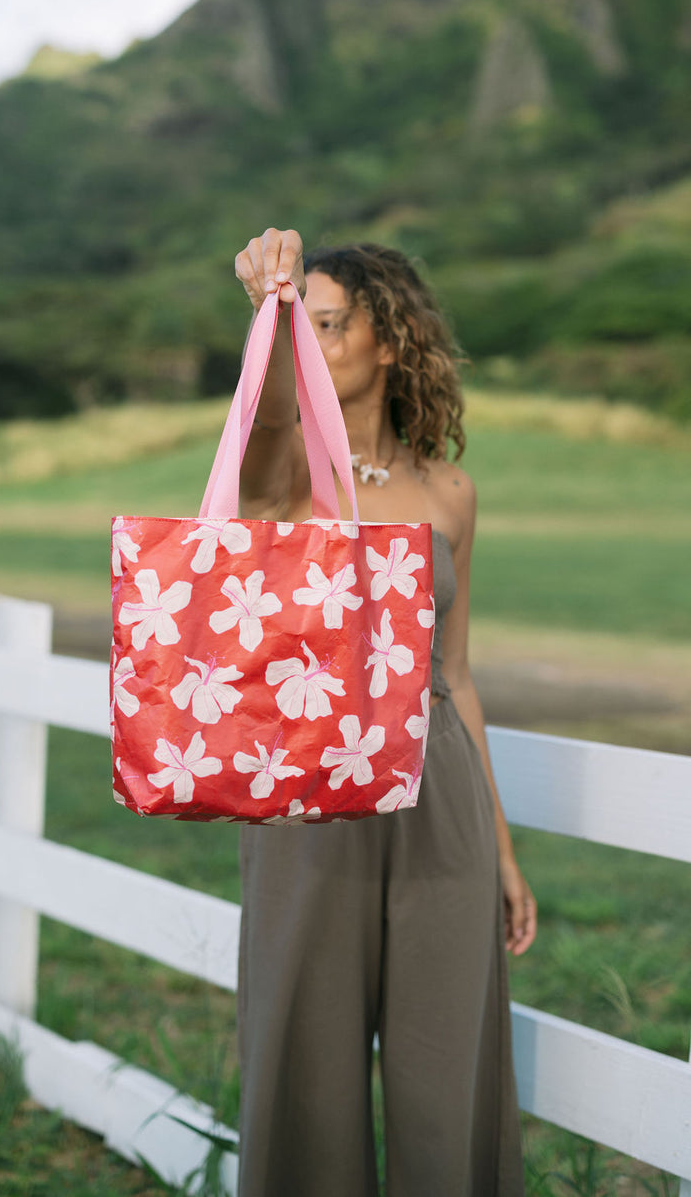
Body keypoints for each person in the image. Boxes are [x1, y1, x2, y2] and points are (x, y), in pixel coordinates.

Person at [233, 228, 537, 1197]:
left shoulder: (448, 490)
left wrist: (496, 844)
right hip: (305, 792)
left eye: (327, 326)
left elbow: (456, 671)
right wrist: (271, 309)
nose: (308, 346)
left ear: (390, 341)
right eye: (298, 330)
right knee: (304, 1054)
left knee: (445, 1053)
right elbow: (268, 420)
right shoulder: (282, 478)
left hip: (436, 781)